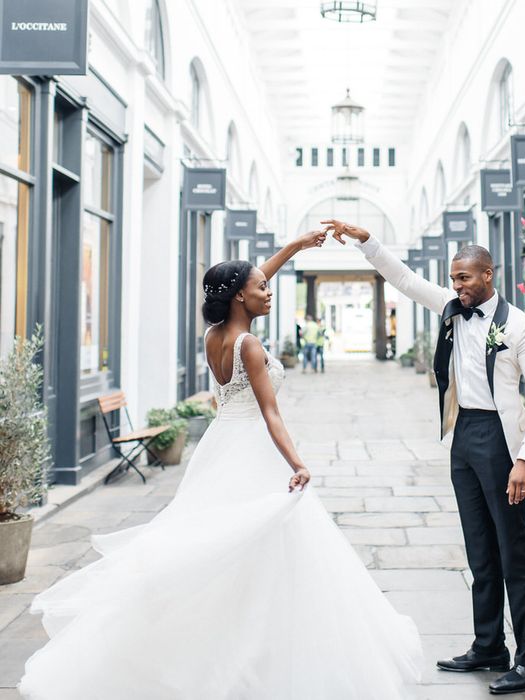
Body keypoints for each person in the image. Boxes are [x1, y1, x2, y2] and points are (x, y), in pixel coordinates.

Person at [18, 231, 422, 700]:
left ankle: (236, 642)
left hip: (221, 444)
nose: (268, 291)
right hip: (250, 446)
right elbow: (271, 414)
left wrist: (297, 247)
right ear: (238, 297)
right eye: (261, 288)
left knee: (225, 542)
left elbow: (251, 281)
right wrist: (298, 462)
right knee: (264, 543)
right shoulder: (248, 344)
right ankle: (252, 648)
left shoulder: (215, 334)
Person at [322, 218, 525, 696]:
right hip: (464, 433)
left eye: (464, 278)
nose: (457, 286)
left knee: (514, 552)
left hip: (500, 440)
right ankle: (489, 645)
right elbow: (405, 280)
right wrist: (368, 242)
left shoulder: (519, 326)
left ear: (488, 275)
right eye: (453, 279)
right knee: (478, 549)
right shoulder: (453, 308)